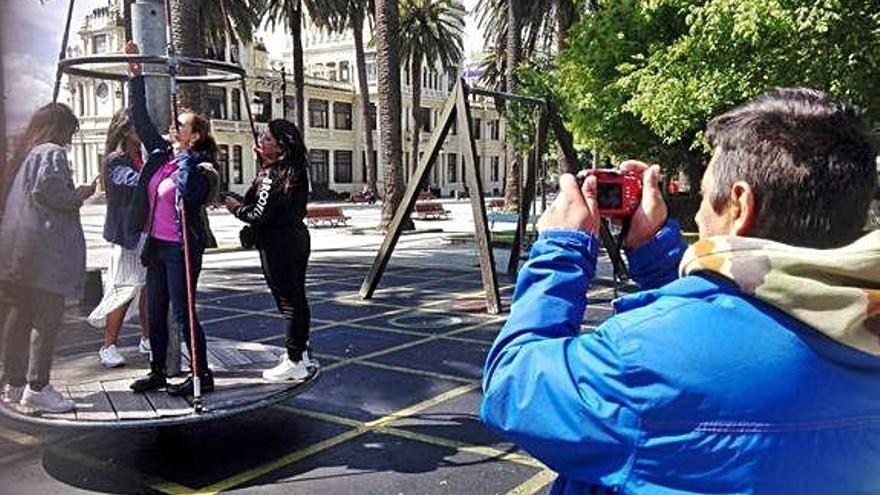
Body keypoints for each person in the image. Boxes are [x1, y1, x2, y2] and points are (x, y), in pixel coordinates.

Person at [481, 87, 880, 494]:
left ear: (740, 206)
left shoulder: (643, 357)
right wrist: (655, 248)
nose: (702, 212)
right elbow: (740, 320)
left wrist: (560, 249)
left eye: (706, 196)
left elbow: (514, 386)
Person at [124, 41, 218, 397]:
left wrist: (188, 162)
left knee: (183, 312)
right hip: (158, 247)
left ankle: (201, 375)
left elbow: (193, 197)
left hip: (182, 247)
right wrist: (136, 75)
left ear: (194, 136)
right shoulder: (162, 154)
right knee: (156, 309)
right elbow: (140, 118)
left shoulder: (198, 165)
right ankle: (158, 371)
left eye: (180, 125)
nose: (172, 127)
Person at [0, 103, 96, 413]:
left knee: (19, 315)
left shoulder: (26, 153)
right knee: (47, 318)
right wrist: (79, 194)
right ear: (59, 127)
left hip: (18, 250)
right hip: (45, 252)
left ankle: (14, 383)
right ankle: (37, 386)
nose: (70, 137)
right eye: (70, 130)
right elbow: (50, 191)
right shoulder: (51, 152)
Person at [224, 119, 313, 381]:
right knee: (297, 299)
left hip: (277, 244)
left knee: (288, 303)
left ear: (282, 145)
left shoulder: (273, 175)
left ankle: (294, 360)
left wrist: (235, 208)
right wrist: (266, 163)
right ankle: (301, 352)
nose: (262, 141)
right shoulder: (293, 168)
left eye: (268, 139)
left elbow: (258, 212)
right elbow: (275, 201)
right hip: (296, 238)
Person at [87, 110, 150, 368]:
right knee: (124, 288)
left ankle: (147, 338)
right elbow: (133, 182)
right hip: (129, 236)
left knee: (147, 289)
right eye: (138, 127)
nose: (143, 131)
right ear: (125, 130)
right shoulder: (116, 160)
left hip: (148, 232)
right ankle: (108, 345)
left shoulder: (141, 156)